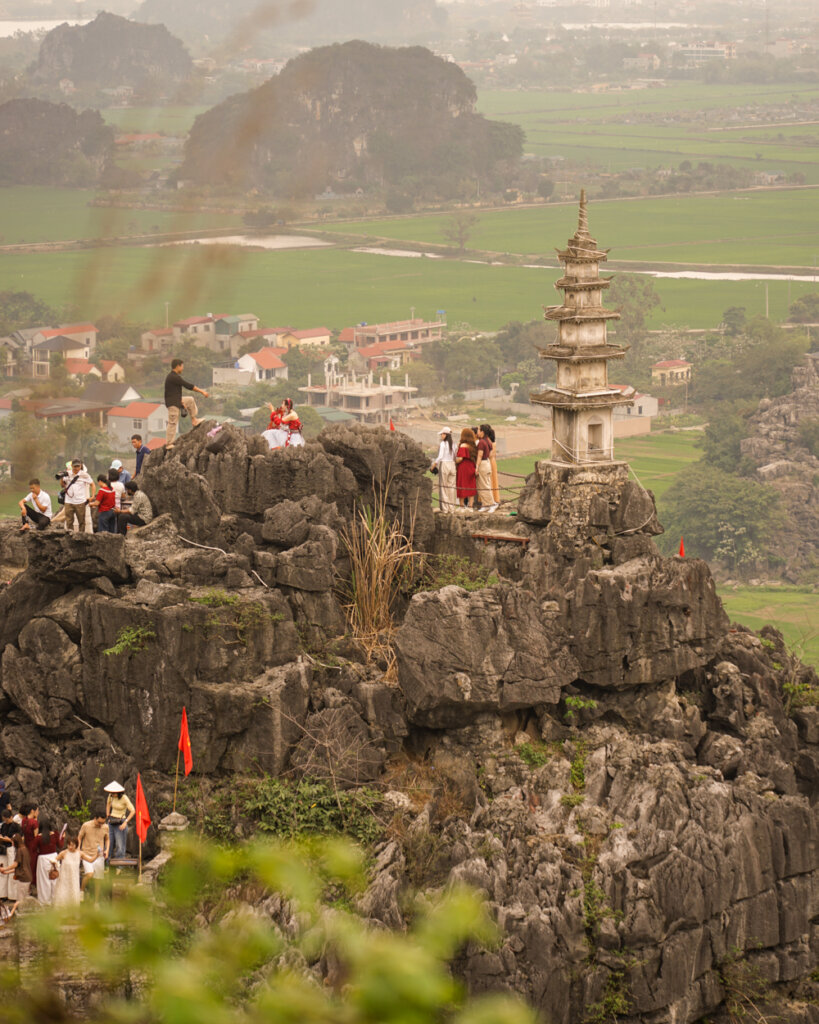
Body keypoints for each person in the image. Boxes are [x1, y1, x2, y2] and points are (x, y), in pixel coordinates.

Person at [165, 358, 210, 448]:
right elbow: (188, 386)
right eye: (182, 366)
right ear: (178, 366)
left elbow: (173, 392)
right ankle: (169, 443)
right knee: (172, 422)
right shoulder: (173, 377)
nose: (183, 368)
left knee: (190, 400)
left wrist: (181, 402)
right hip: (172, 403)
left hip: (176, 400)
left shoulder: (173, 377)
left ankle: (194, 420)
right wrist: (202, 392)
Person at [78, 805, 108, 896]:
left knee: (98, 880)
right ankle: (81, 891)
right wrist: (79, 850)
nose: (101, 824)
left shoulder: (105, 827)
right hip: (86, 854)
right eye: (99, 822)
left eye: (103, 823)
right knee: (89, 874)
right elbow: (79, 837)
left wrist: (107, 850)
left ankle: (96, 901)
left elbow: (107, 839)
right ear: (95, 818)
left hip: (99, 855)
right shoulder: (86, 825)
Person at [34, 816, 63, 905]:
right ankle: (56, 899)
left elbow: (33, 848)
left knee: (44, 881)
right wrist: (63, 837)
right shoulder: (55, 834)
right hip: (54, 857)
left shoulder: (38, 837)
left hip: (43, 859)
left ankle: (45, 901)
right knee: (55, 879)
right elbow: (60, 845)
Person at [62, 459, 96, 534]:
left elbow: (93, 484)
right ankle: (70, 535)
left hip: (80, 501)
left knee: (81, 521)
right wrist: (61, 478)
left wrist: (93, 496)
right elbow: (62, 485)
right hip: (69, 501)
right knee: (69, 520)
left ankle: (81, 536)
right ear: (72, 466)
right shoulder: (67, 474)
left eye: (78, 466)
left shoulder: (84, 475)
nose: (77, 468)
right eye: (75, 466)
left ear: (81, 466)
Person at [104, 781, 135, 862]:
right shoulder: (110, 796)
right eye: (111, 793)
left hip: (121, 822)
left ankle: (119, 864)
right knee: (109, 842)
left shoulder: (124, 798)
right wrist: (108, 815)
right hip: (111, 821)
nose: (112, 794)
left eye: (114, 793)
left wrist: (125, 822)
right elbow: (108, 804)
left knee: (120, 845)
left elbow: (133, 811)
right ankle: (107, 862)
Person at [52, 832, 82, 908]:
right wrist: (55, 867)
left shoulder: (79, 853)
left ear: (76, 845)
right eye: (69, 845)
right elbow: (54, 860)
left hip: (74, 878)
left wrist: (97, 855)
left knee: (73, 892)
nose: (70, 847)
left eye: (72, 845)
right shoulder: (64, 853)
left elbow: (90, 860)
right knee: (63, 892)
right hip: (64, 877)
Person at [430, 427, 457, 512]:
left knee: (444, 487)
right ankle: (452, 508)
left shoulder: (443, 444)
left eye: (442, 434)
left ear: (445, 434)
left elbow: (440, 456)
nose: (441, 435)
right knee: (451, 487)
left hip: (444, 464)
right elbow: (455, 456)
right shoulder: (454, 444)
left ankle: (445, 508)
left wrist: (433, 465)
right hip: (452, 464)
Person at [475, 425, 498, 512]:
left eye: (478, 430)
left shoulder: (481, 442)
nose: (477, 432)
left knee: (483, 486)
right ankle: (486, 504)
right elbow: (490, 454)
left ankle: (492, 504)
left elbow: (479, 455)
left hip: (482, 464)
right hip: (487, 463)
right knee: (485, 485)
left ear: (482, 432)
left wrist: (477, 467)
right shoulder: (488, 441)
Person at [454, 428, 478, 509]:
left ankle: (461, 506)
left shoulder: (463, 445)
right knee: (471, 487)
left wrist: (454, 461)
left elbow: (460, 458)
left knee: (462, 486)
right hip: (471, 466)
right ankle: (470, 506)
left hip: (463, 468)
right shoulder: (473, 446)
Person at [485, 423, 500, 505]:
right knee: (493, 480)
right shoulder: (493, 442)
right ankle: (494, 498)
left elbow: (490, 455)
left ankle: (491, 499)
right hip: (493, 461)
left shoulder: (489, 442)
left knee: (490, 481)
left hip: (489, 461)